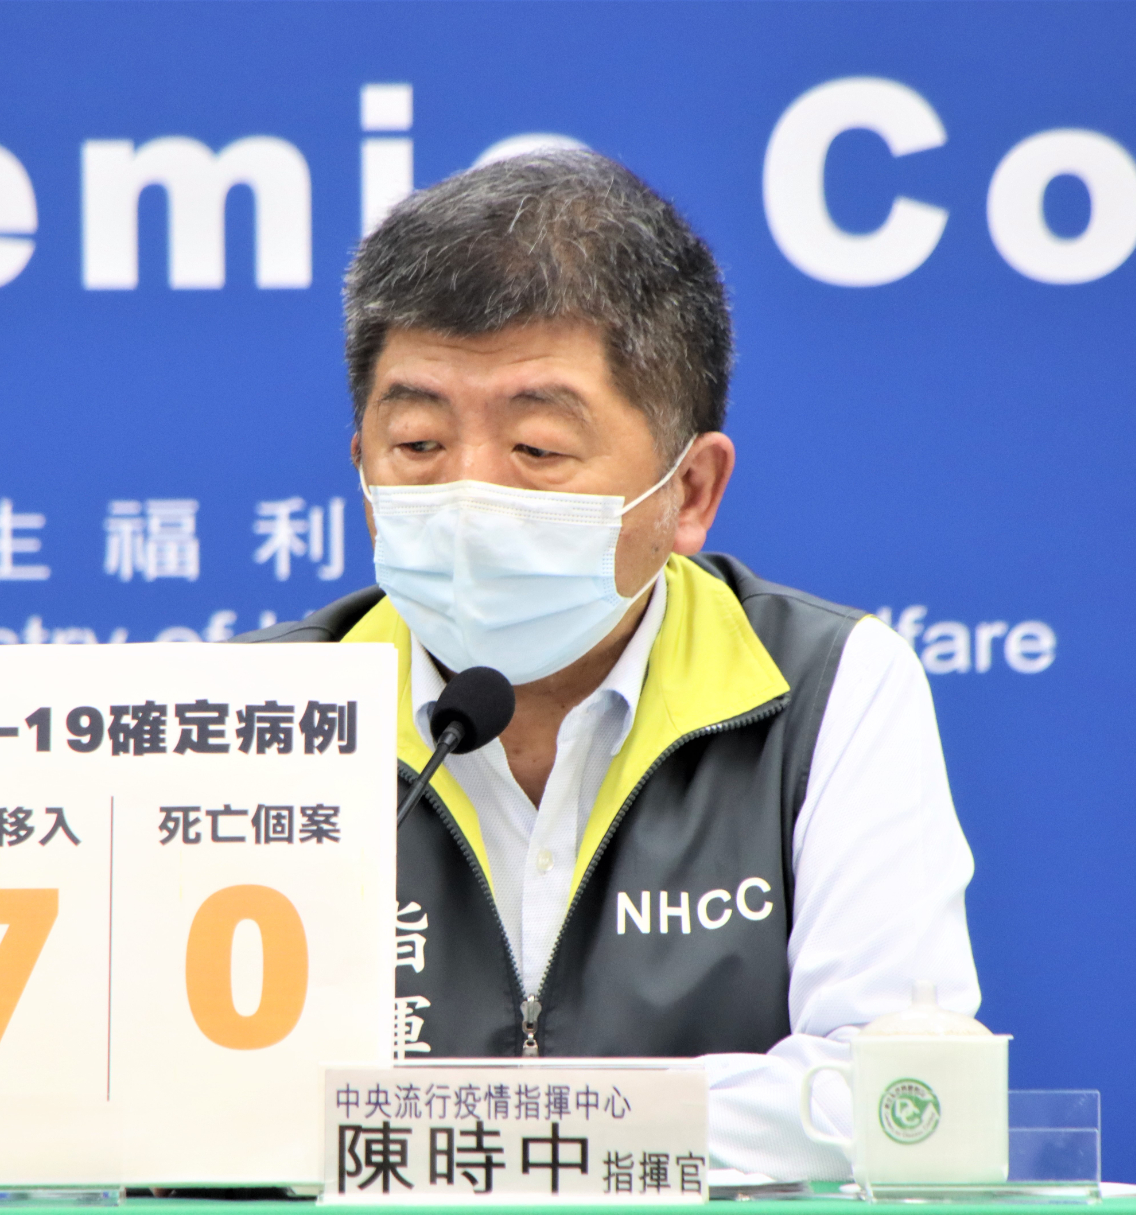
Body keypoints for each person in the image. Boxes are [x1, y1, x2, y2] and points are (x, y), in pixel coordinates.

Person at [239, 150, 977, 1180]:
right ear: (361, 468)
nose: (469, 495)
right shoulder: (258, 714)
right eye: (418, 444)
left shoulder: (826, 689)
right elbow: (184, 1103)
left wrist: (462, 1136)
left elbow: (896, 1094)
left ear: (689, 493)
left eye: (537, 449)